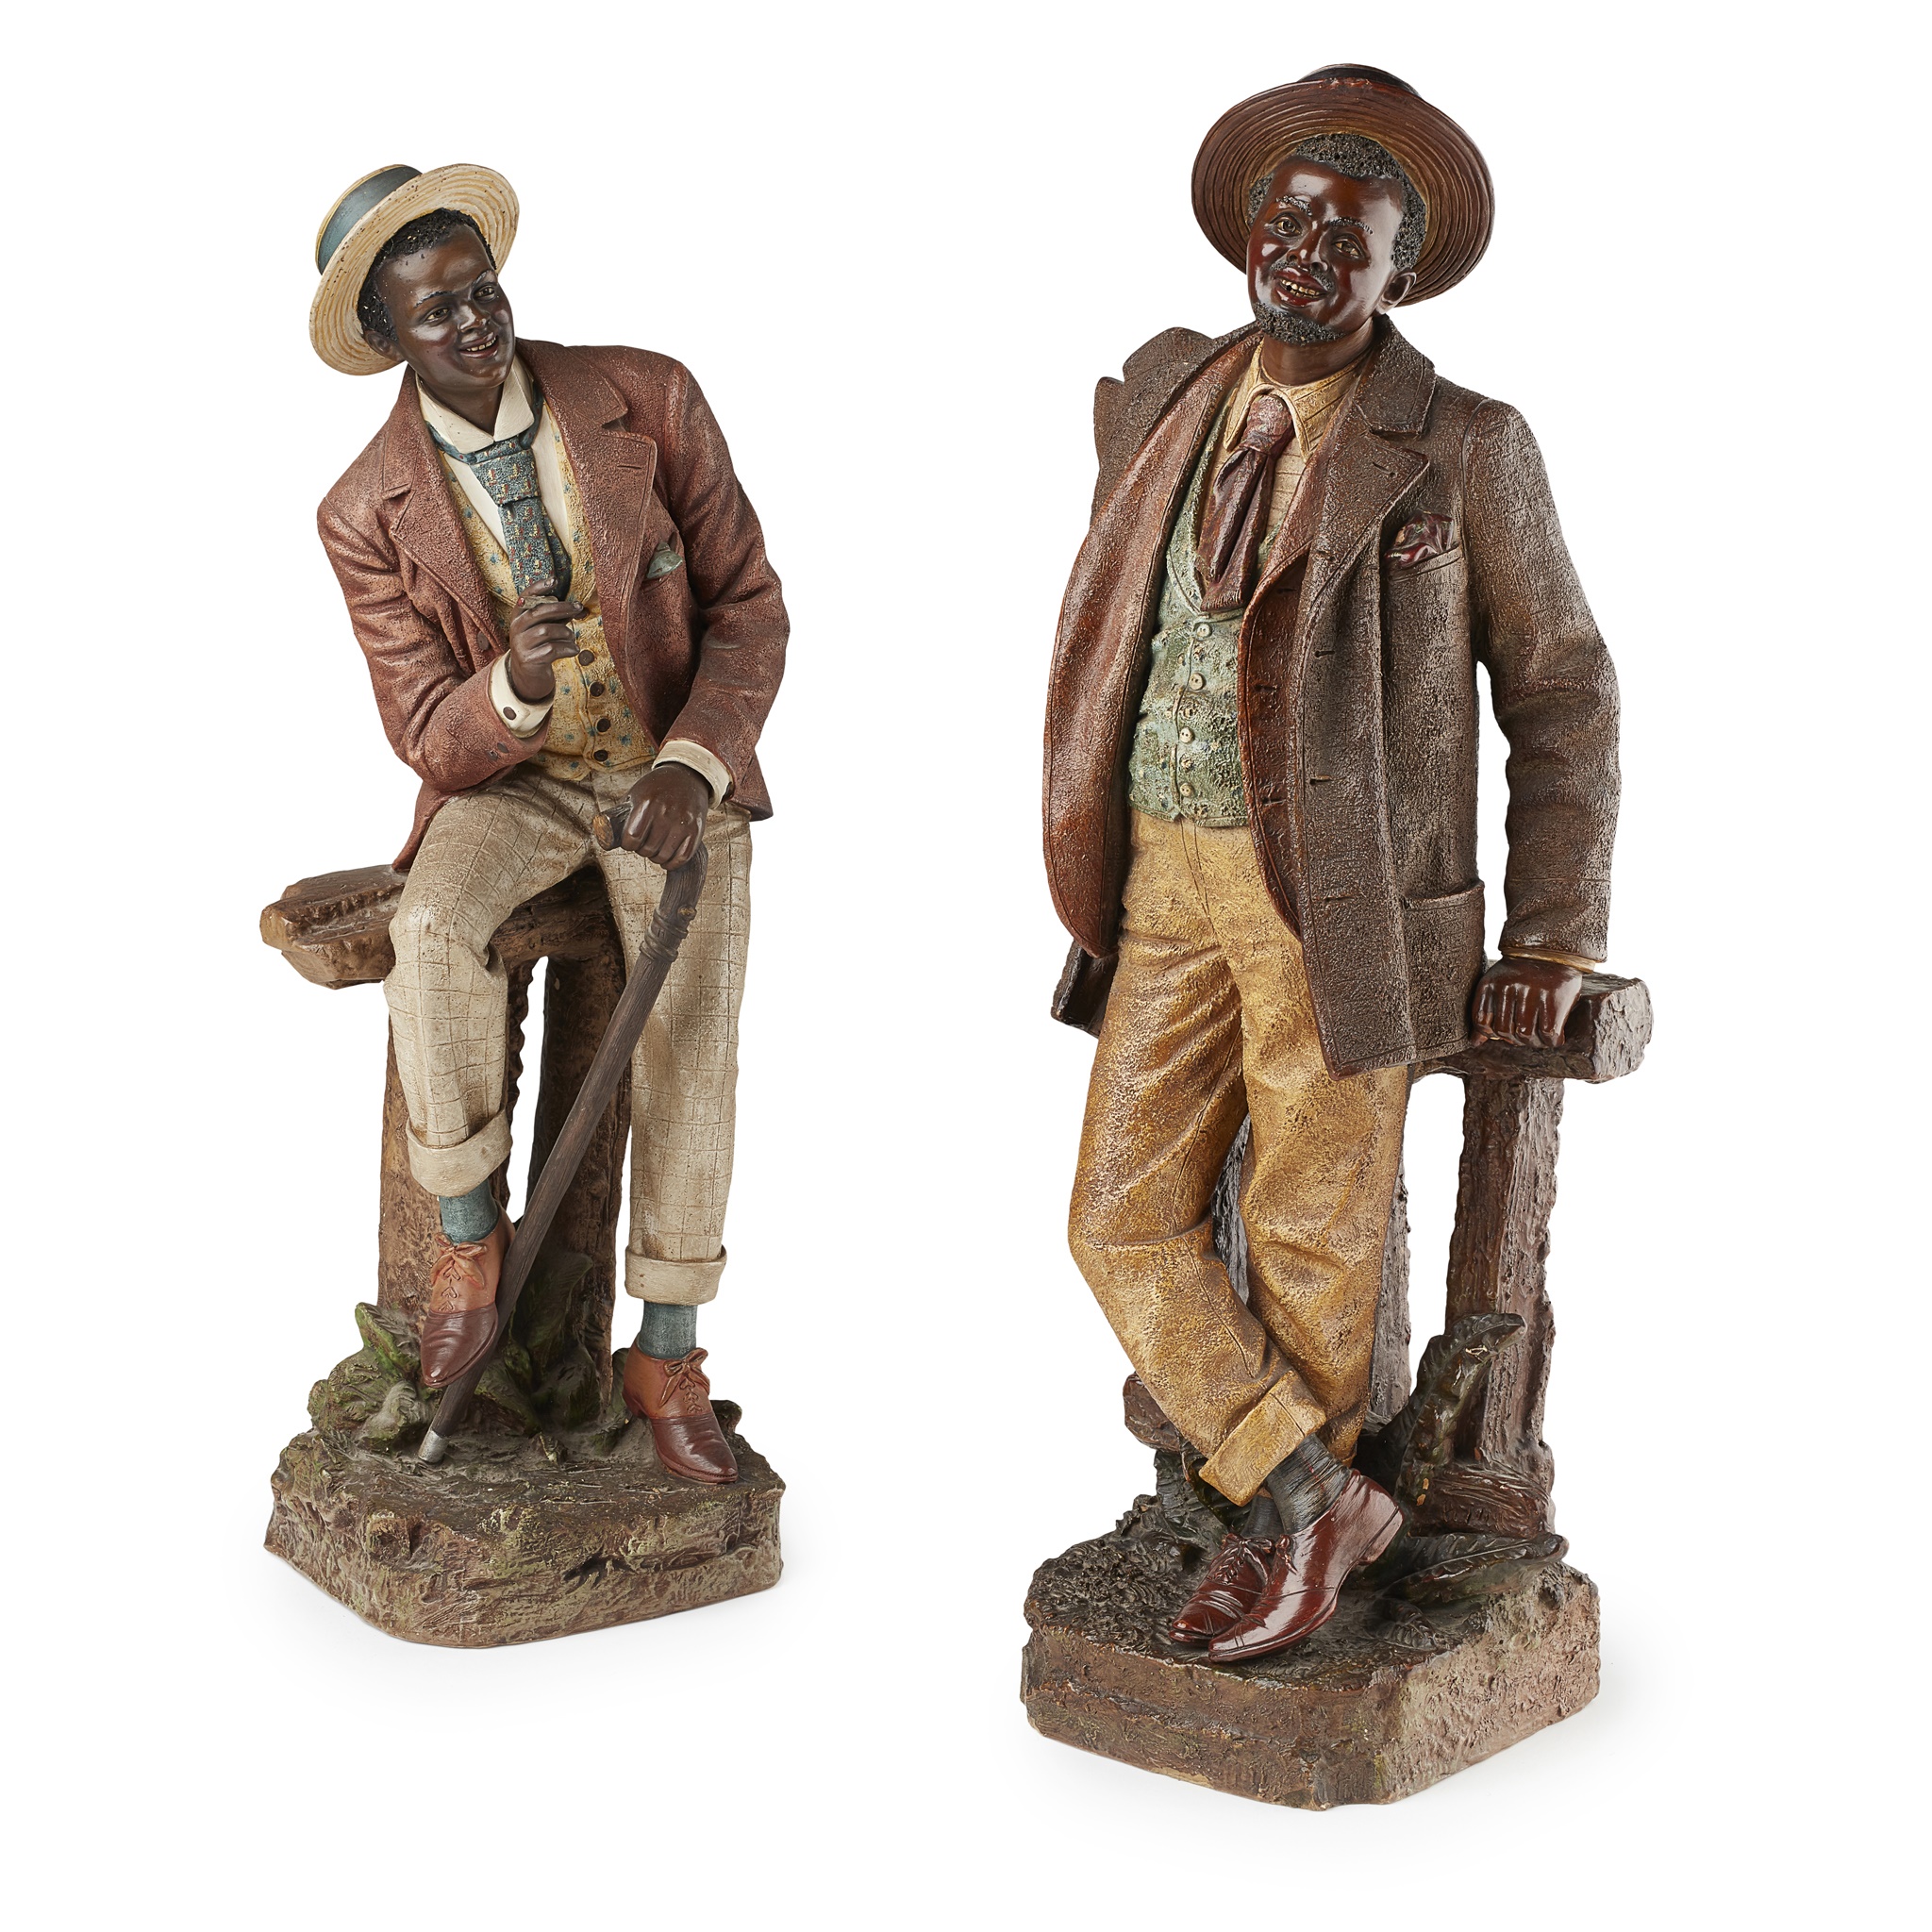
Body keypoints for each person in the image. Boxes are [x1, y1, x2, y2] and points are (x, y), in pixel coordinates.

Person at [1043, 70, 1619, 1658]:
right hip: (1158, 875)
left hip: (1346, 907)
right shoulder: (1165, 395)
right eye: (1287, 223)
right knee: (1116, 1216)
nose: (1304, 256)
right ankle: (1308, 1492)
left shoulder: (1466, 444)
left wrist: (1553, 934)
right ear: (1247, 228)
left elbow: (1566, 694)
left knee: (1312, 1237)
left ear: (1400, 272)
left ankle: (1292, 1539)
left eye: (1346, 239)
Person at [310, 164, 787, 1484]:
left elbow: (750, 606)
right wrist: (513, 687)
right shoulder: (362, 509)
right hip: (511, 785)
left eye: (482, 291)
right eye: (435, 313)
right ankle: (469, 1237)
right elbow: (426, 727)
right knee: (432, 929)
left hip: (664, 764)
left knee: (692, 1031)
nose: (473, 324)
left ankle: (667, 1348)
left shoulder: (649, 397)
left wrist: (693, 764)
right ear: (389, 338)